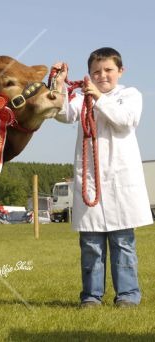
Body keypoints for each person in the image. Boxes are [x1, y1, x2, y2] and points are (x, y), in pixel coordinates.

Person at [53, 47, 153, 308]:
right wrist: (61, 85)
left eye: (108, 70)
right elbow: (64, 114)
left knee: (123, 242)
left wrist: (98, 98)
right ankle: (91, 296)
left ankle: (128, 295)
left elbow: (126, 120)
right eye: (96, 71)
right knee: (91, 244)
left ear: (121, 71)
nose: (102, 75)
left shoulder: (130, 95)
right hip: (90, 180)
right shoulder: (83, 98)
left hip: (120, 181)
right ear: (89, 74)